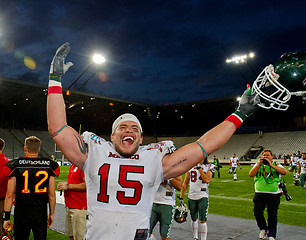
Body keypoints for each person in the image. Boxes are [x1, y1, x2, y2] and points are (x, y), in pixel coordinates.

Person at [46, 42, 261, 239]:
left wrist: (240, 114)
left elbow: (203, 145)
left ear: (140, 139)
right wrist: (54, 79)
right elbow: (58, 128)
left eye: (134, 129)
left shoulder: (154, 160)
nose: (128, 131)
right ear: (112, 136)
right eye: (122, 127)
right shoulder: (94, 153)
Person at [3, 136, 60, 240]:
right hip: (40, 210)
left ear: (25, 148)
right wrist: (51, 214)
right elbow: (52, 194)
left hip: (22, 210)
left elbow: (9, 195)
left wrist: (6, 217)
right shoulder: (49, 165)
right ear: (38, 149)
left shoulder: (15, 165)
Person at [249, 149, 287, 240]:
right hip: (260, 193)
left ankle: (272, 234)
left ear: (271, 156)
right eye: (264, 155)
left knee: (272, 215)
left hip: (274, 194)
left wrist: (270, 165)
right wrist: (259, 164)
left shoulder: (276, 163)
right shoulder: (258, 164)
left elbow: (284, 172)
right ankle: (263, 228)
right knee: (257, 212)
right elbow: (251, 174)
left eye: (268, 155)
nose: (266, 157)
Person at [180, 157, 213, 240]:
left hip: (202, 196)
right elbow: (185, 183)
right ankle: (195, 237)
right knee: (194, 218)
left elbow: (207, 180)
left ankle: (203, 238)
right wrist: (181, 197)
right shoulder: (191, 166)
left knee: (202, 220)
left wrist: (200, 169)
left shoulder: (209, 166)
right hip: (191, 196)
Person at [57, 164, 87, 240]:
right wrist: (65, 185)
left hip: (79, 207)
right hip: (70, 204)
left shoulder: (82, 165)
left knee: (79, 237)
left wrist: (68, 186)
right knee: (71, 235)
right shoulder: (73, 165)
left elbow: (87, 185)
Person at [149, 175, 182, 240]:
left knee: (164, 235)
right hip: (152, 202)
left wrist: (169, 176)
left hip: (167, 204)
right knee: (145, 232)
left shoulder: (174, 167)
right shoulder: (153, 165)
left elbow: (179, 186)